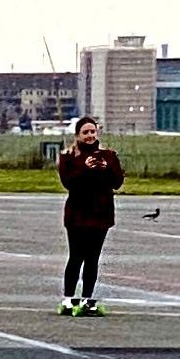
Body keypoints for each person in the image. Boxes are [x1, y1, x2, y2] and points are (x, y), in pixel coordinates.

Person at [57, 114, 122, 316]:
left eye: (93, 131)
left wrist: (105, 169)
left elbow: (117, 182)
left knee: (93, 258)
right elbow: (68, 182)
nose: (90, 136)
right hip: (77, 213)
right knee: (76, 256)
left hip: (101, 213)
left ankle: (87, 298)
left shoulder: (109, 156)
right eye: (85, 132)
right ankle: (68, 298)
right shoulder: (68, 157)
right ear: (78, 135)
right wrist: (85, 169)